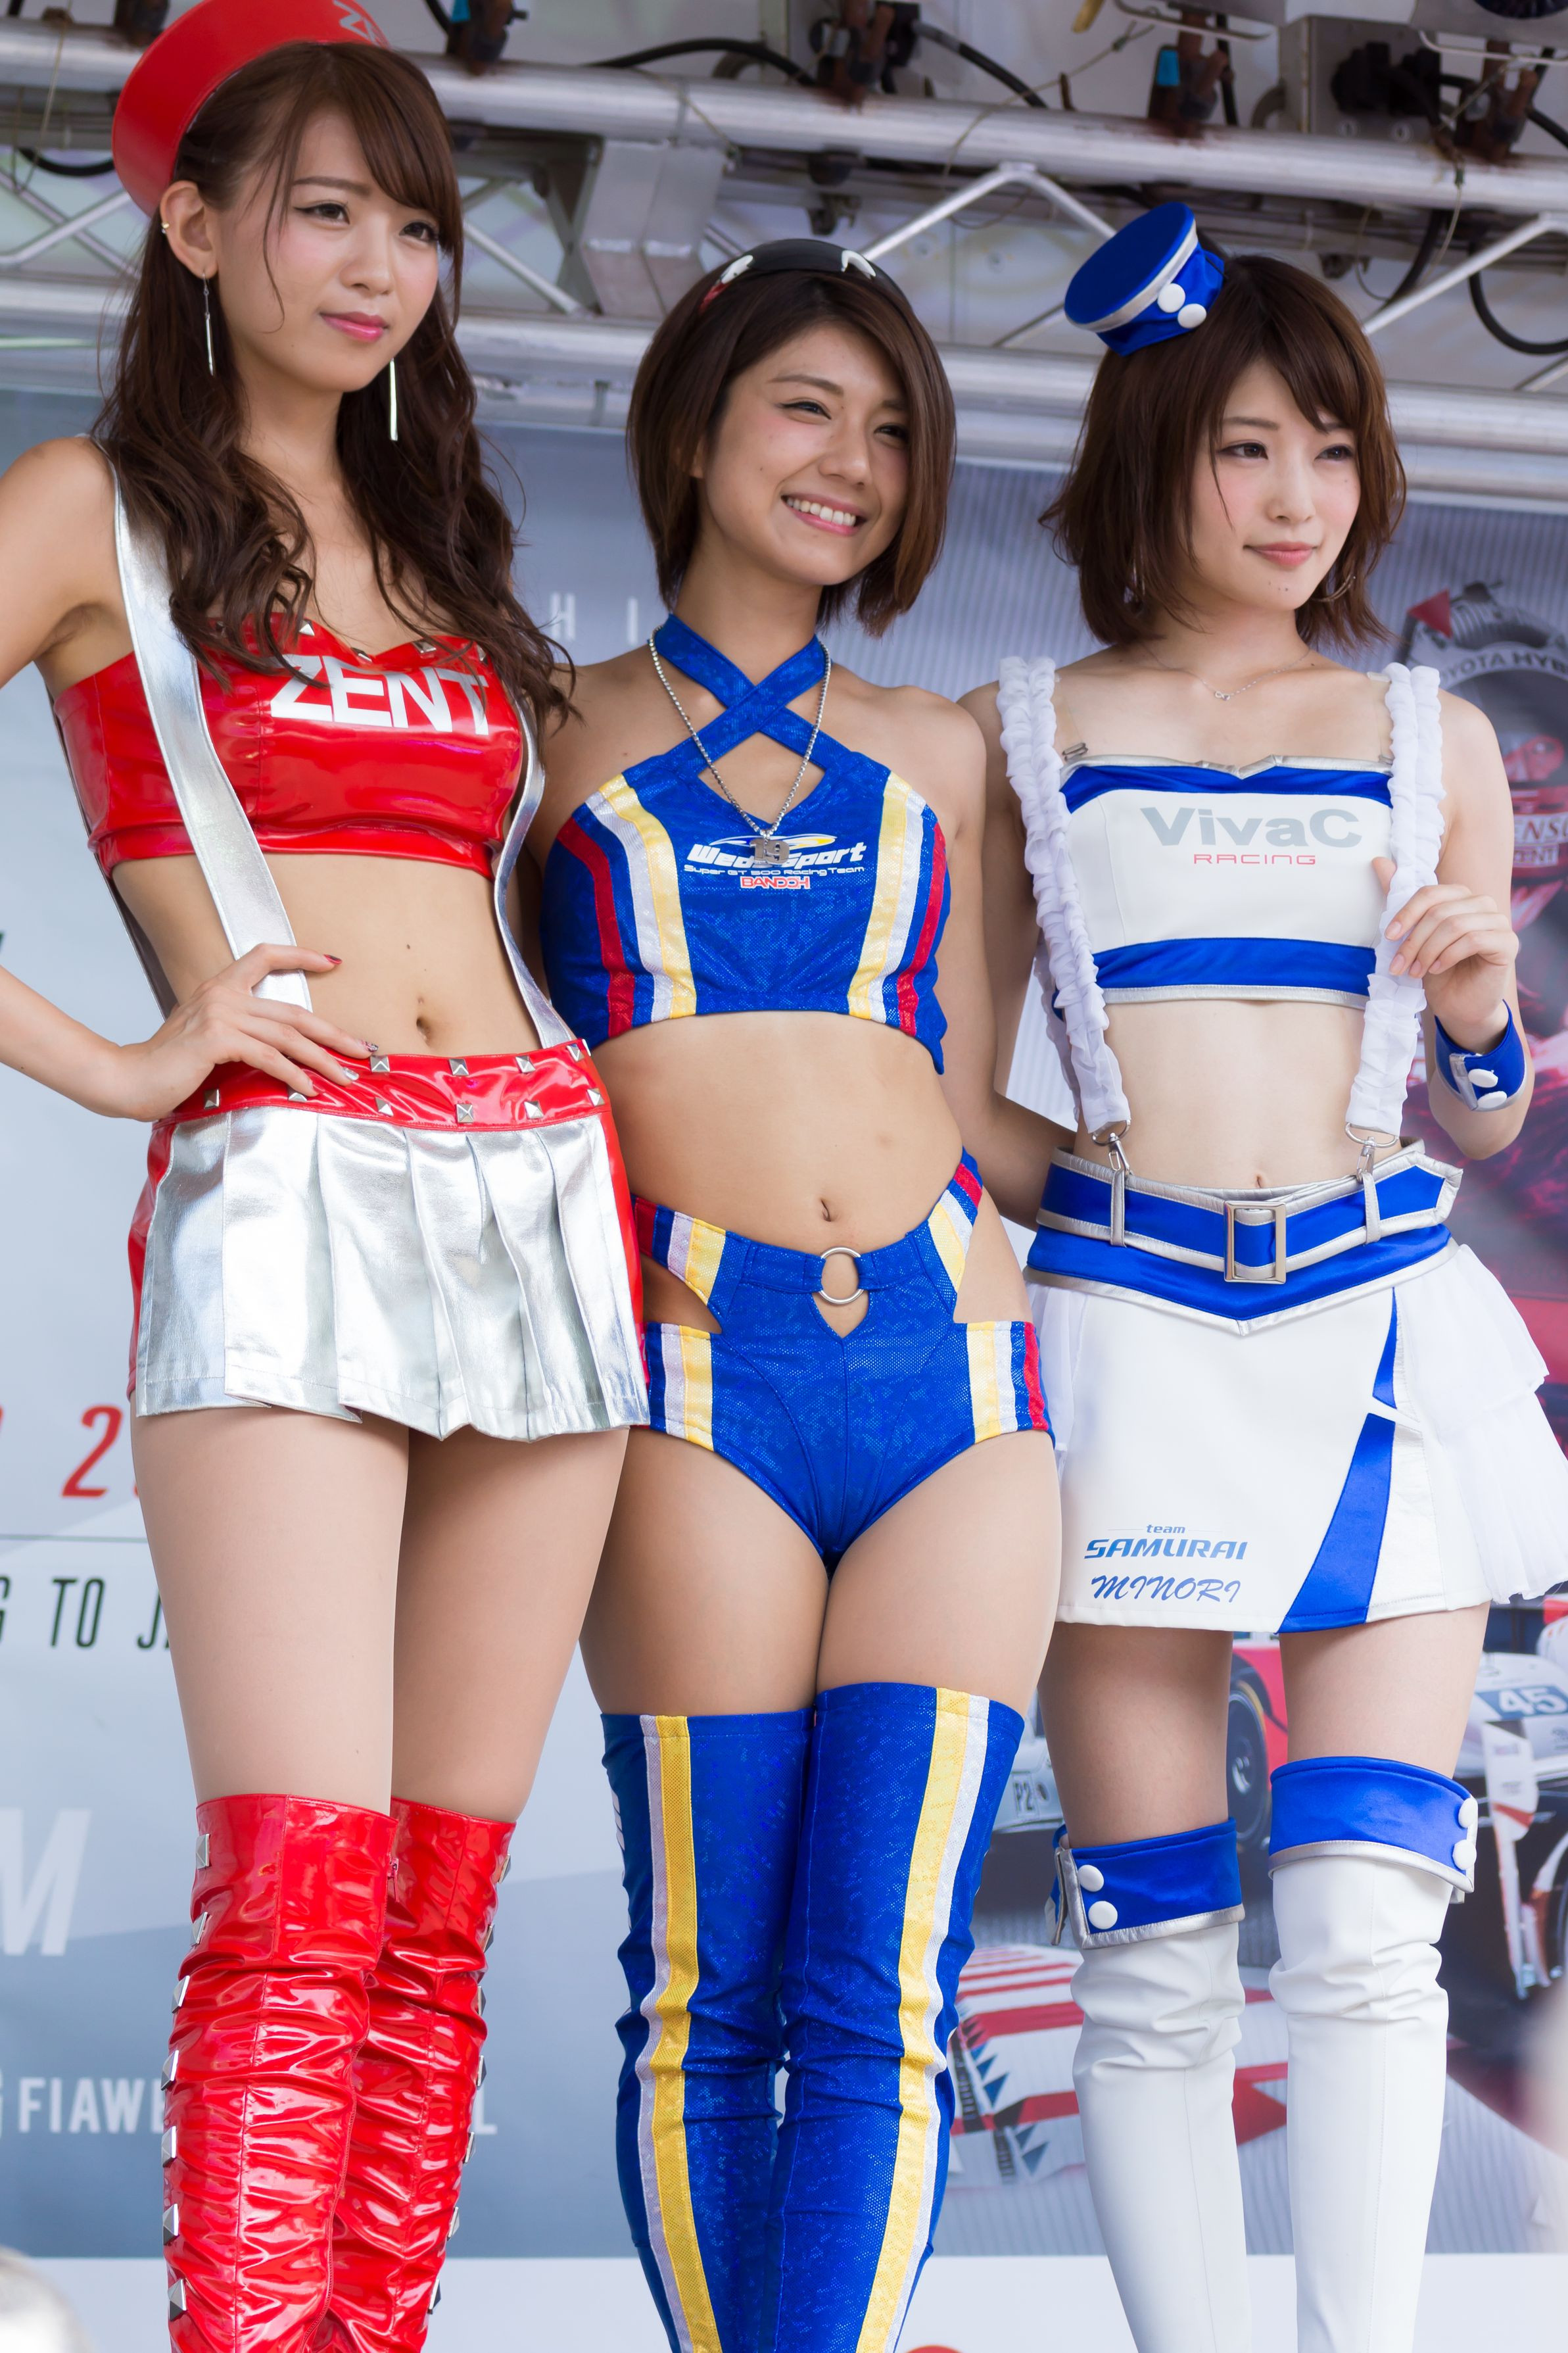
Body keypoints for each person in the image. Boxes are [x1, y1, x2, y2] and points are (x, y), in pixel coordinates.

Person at [0, 5, 645, 2346]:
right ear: (191, 224)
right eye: (327, 210)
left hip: (541, 1190)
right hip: (287, 1185)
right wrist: (121, 1059)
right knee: (297, 1895)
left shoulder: (446, 547)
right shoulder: (88, 509)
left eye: (418, 225)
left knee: (434, 1917)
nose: (381, 267)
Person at [964, 205, 1568, 2353]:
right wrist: (1107, 1225)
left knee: (1365, 1931)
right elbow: (959, 1089)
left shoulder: (1430, 735)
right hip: (1125, 1341)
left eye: (1329, 447)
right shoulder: (1020, 727)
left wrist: (1480, 1011)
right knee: (1144, 1948)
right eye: (1245, 445)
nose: (1296, 493)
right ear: (1153, 451)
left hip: (1380, 1335)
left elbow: (1476, 1117)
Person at [530, 240, 1059, 2353]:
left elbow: (981, 1096)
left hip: (954, 1368)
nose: (852, 461)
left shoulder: (943, 748)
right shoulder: (543, 728)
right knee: (709, 1992)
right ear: (693, 425)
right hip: (688, 1373)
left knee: (882, 1994)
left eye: (894, 428)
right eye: (807, 407)